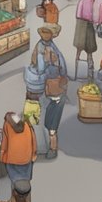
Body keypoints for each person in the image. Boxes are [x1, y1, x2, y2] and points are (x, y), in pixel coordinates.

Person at [34, 25, 68, 159]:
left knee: (42, 118)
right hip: (58, 89)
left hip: (46, 88)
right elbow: (63, 67)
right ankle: (52, 147)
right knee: (52, 121)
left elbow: (40, 69)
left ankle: (45, 147)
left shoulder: (40, 49)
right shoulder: (54, 48)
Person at [74, 0, 102, 76]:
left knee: (79, 46)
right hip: (90, 25)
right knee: (89, 47)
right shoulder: (98, 0)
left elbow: (78, 14)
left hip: (81, 24)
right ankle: (90, 66)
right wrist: (100, 22)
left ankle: (77, 64)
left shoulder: (82, 0)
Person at [0, 111, 37, 184]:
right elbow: (33, 140)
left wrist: (2, 157)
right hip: (26, 159)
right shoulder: (26, 123)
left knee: (15, 182)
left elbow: (4, 143)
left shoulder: (7, 124)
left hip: (12, 160)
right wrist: (33, 155)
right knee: (25, 182)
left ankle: (16, 191)